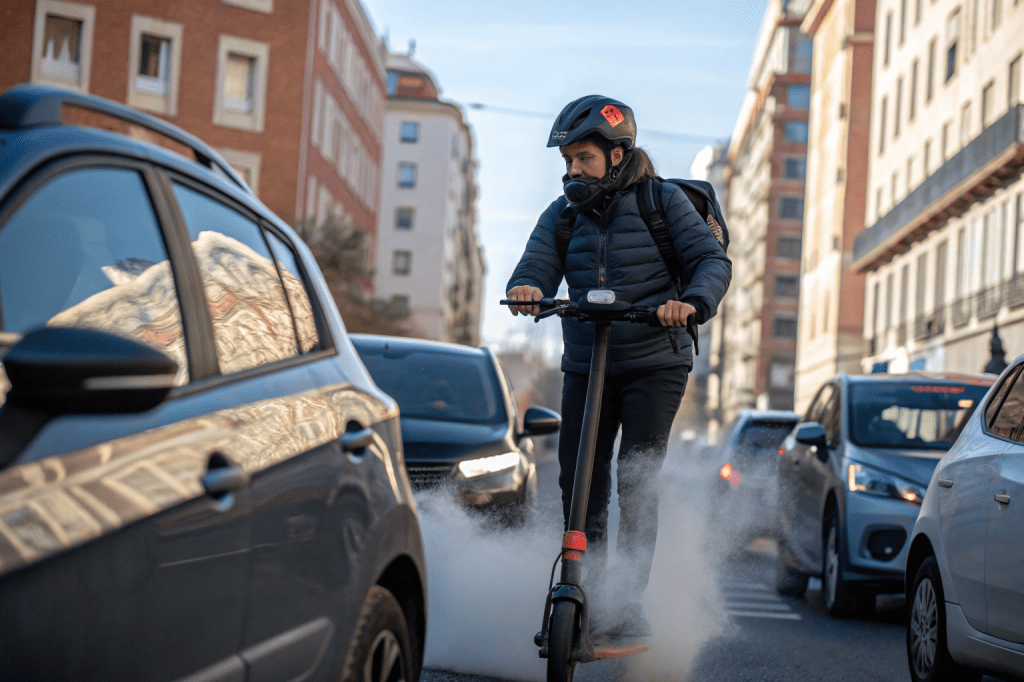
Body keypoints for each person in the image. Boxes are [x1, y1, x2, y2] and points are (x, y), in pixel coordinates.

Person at [506, 95, 731, 638]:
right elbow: (537, 261)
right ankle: (583, 588)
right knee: (579, 481)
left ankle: (626, 605)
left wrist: (690, 304)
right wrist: (528, 287)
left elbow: (710, 261)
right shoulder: (563, 215)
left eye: (583, 158)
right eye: (567, 161)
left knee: (635, 478)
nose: (573, 170)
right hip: (588, 361)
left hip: (656, 359)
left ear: (616, 153)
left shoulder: (664, 202)